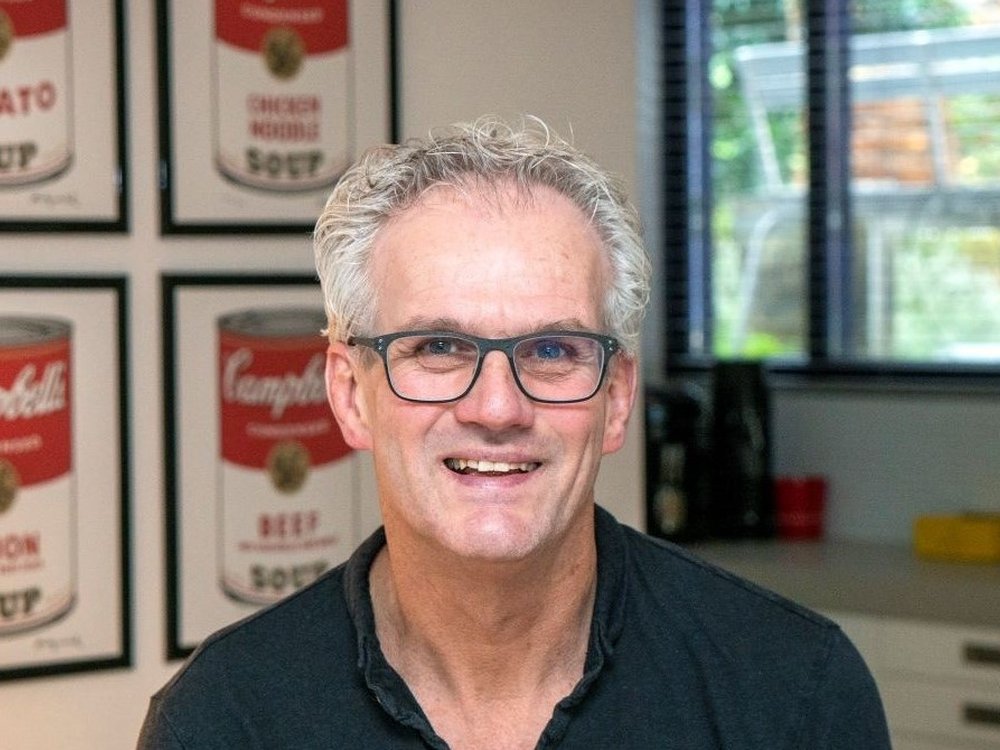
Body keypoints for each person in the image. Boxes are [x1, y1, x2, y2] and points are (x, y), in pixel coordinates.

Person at [138, 116, 890, 749]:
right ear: (350, 395)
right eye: (437, 346)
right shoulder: (225, 721)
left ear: (617, 397)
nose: (497, 409)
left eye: (554, 351)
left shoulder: (794, 694)